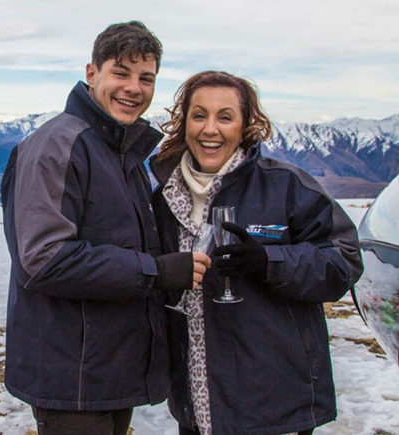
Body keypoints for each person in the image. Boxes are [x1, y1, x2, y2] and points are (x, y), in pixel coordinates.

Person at [1, 21, 210, 435]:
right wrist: (157, 271)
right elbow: (43, 260)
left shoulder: (115, 148)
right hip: (72, 371)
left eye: (145, 78)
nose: (134, 88)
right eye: (121, 72)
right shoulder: (60, 144)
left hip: (102, 369)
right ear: (92, 73)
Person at [150, 71, 363, 435]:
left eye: (225, 116)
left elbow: (344, 260)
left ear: (246, 125)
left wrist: (271, 262)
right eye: (199, 115)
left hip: (273, 408)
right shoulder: (162, 199)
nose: (210, 129)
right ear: (183, 122)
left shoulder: (286, 186)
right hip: (195, 409)